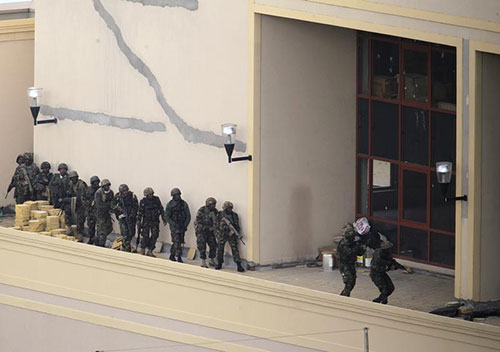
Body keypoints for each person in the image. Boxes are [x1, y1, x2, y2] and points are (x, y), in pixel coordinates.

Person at [337, 223, 366, 296]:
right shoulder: (344, 244)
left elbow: (360, 253)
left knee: (352, 282)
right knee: (349, 282)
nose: (353, 238)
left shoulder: (352, 243)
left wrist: (362, 246)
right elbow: (350, 253)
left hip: (351, 264)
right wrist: (358, 246)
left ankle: (344, 296)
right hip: (345, 265)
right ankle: (344, 298)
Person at [215, 201, 245, 272]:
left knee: (235, 249)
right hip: (222, 234)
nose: (230, 210)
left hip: (231, 234)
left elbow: (237, 226)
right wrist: (218, 233)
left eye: (231, 208)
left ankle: (238, 264)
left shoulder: (234, 215)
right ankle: (219, 263)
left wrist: (234, 232)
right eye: (228, 208)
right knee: (220, 249)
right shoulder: (220, 214)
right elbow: (216, 224)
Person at [136, 187, 165, 257]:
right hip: (146, 221)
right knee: (145, 236)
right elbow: (140, 212)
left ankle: (150, 250)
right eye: (149, 194)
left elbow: (161, 209)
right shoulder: (143, 202)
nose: (151, 196)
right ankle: (143, 249)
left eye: (152, 194)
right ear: (146, 195)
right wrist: (138, 221)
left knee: (155, 235)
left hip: (155, 221)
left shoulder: (156, 200)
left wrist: (164, 218)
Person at [164, 188, 190, 262]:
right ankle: (178, 256)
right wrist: (173, 224)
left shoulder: (183, 204)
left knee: (180, 241)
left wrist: (185, 225)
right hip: (174, 227)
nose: (177, 196)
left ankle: (172, 254)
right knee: (176, 241)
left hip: (182, 225)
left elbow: (188, 215)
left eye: (178, 195)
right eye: (176, 195)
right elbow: (167, 216)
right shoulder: (170, 205)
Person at [111, 184, 138, 252]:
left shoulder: (132, 196)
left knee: (131, 233)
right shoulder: (117, 197)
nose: (125, 192)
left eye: (126, 191)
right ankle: (126, 248)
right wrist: (118, 208)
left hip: (131, 217)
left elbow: (136, 206)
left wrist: (132, 214)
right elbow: (112, 205)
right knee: (125, 233)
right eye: (124, 191)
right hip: (122, 217)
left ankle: (125, 244)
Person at [194, 197, 218, 268]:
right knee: (202, 246)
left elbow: (217, 221)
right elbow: (197, 222)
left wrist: (215, 228)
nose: (214, 206)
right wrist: (206, 228)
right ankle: (203, 261)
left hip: (210, 232)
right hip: (202, 232)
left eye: (214, 205)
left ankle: (211, 260)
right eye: (212, 205)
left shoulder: (215, 211)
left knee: (213, 245)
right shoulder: (202, 210)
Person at [65, 171, 88, 241]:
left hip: (81, 204)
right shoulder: (71, 184)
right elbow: (69, 192)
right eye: (72, 178)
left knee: (80, 218)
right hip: (74, 202)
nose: (73, 179)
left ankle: (80, 233)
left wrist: (72, 199)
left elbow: (82, 197)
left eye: (74, 178)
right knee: (67, 210)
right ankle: (69, 227)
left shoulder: (81, 185)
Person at [94, 179, 114, 247]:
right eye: (105, 186)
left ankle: (98, 238)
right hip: (100, 213)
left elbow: (112, 202)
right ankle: (101, 243)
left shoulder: (111, 192)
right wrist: (108, 205)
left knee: (109, 228)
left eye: (108, 185)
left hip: (107, 213)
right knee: (102, 229)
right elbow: (99, 205)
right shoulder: (99, 193)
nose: (107, 187)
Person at [85, 176, 100, 245]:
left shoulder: (100, 190)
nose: (96, 184)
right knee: (91, 226)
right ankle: (91, 238)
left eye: (97, 182)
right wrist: (89, 204)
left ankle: (98, 240)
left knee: (100, 227)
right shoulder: (88, 189)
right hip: (90, 210)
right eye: (94, 182)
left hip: (98, 211)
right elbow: (84, 198)